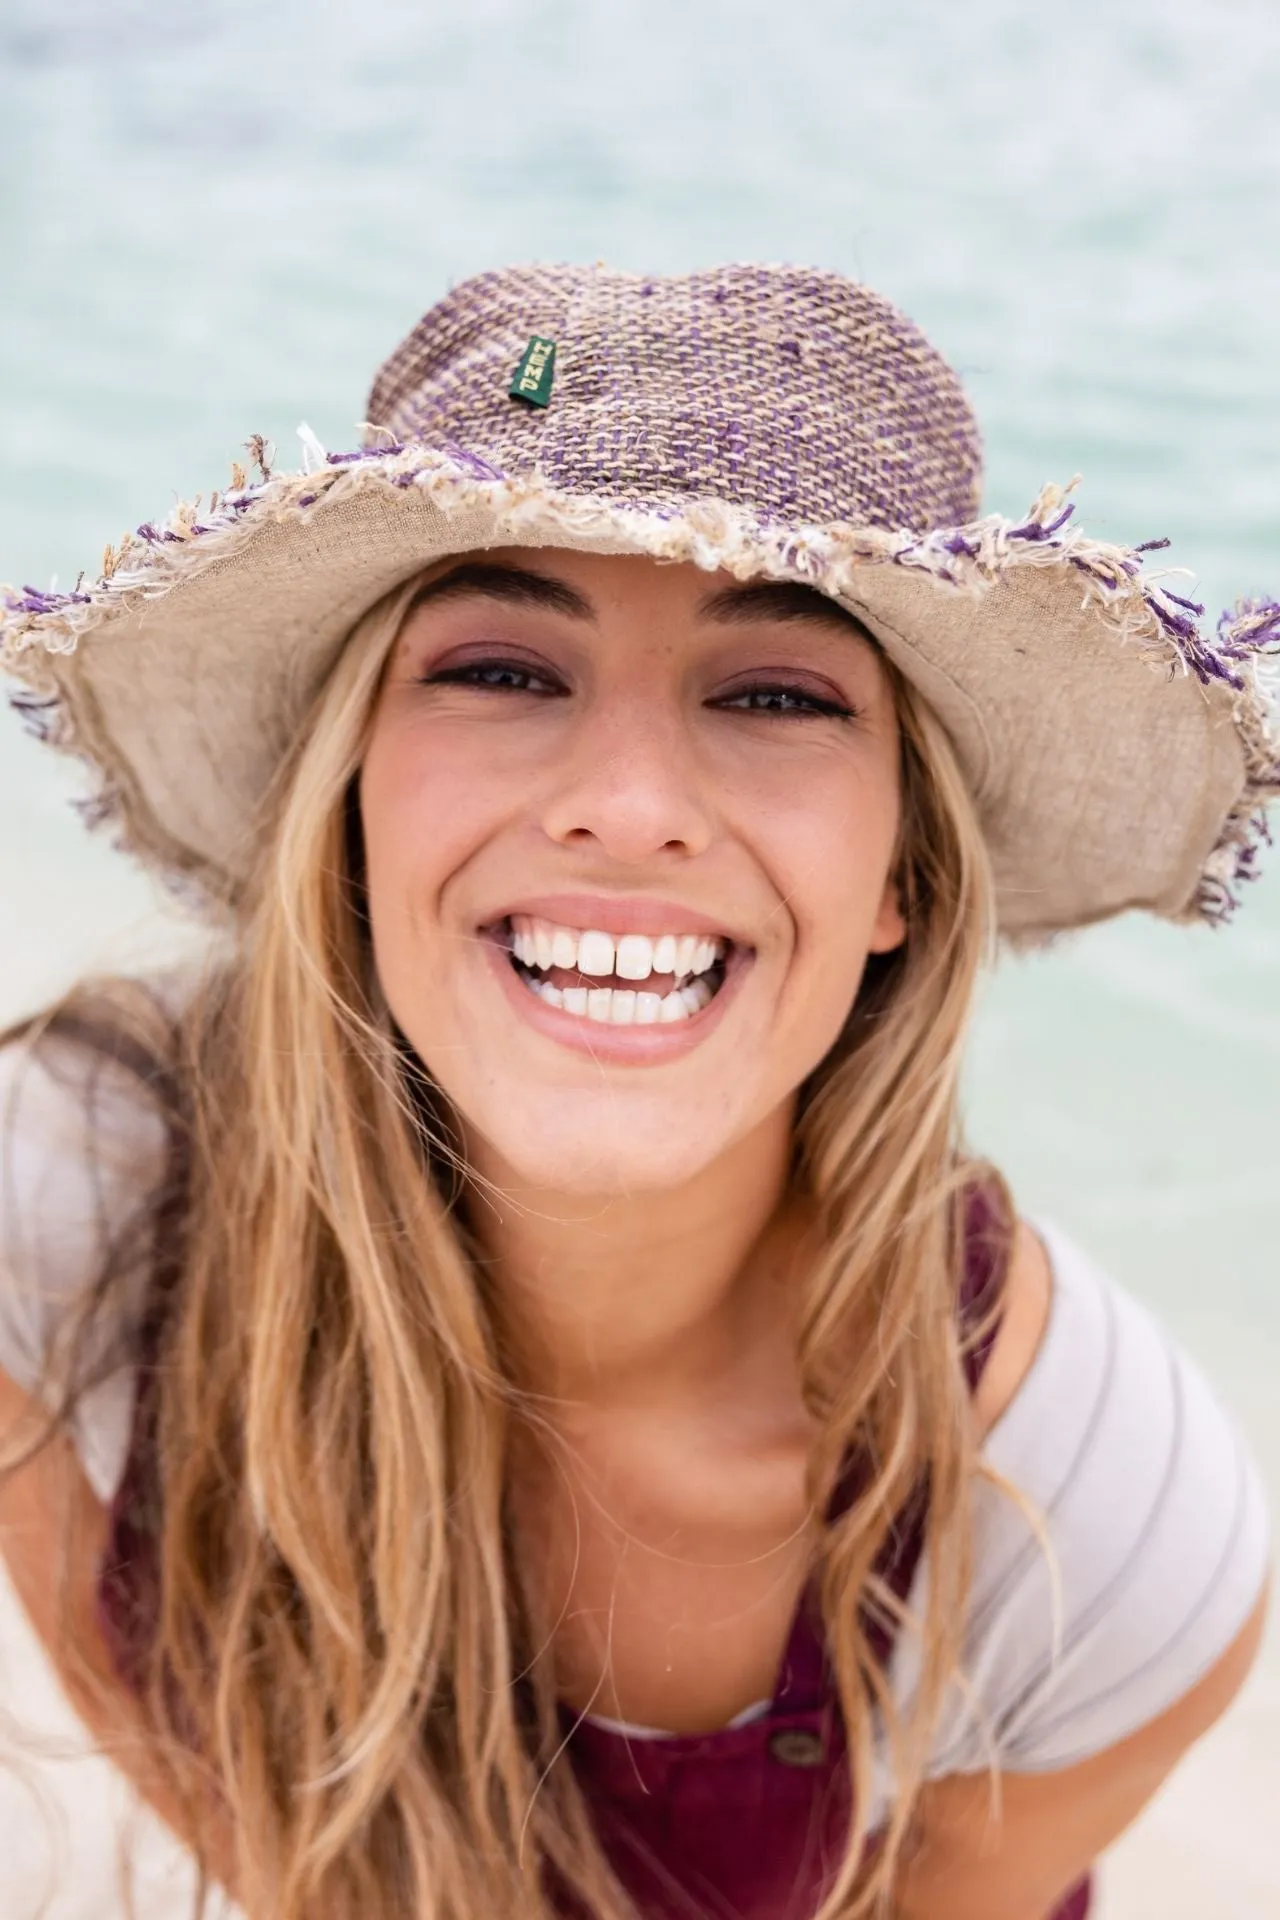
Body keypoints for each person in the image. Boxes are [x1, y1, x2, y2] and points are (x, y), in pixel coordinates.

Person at [0, 264, 1275, 1920]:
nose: (629, 805)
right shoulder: (60, 1214)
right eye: (503, 671)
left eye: (776, 696)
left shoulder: (1096, 1521)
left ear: (902, 873)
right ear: (352, 807)